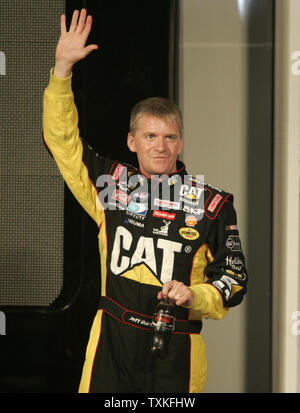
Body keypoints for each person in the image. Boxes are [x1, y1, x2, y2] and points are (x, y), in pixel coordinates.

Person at [43, 9, 248, 393]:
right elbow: (63, 143)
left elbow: (234, 281)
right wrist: (62, 71)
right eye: (150, 136)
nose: (160, 146)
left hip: (177, 349)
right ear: (131, 142)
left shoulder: (211, 204)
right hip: (111, 343)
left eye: (169, 137)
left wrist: (194, 294)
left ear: (181, 143)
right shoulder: (111, 185)